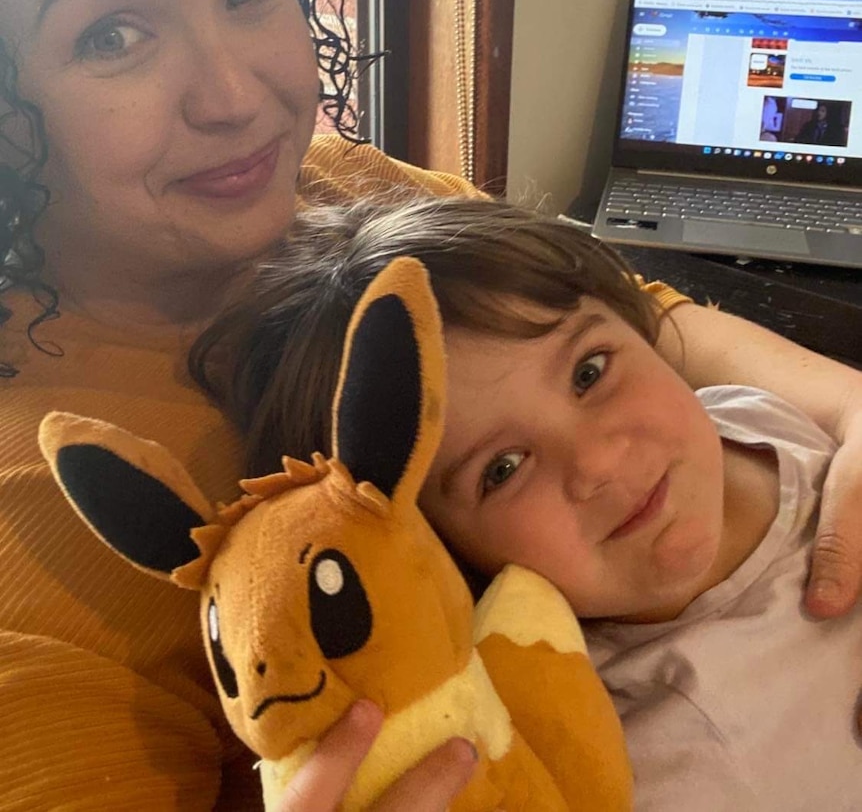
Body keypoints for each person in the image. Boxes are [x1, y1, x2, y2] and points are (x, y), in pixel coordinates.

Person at [0, 0, 860, 809]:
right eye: (113, 34)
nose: (240, 90)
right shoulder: (30, 549)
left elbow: (614, 305)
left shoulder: (325, 186)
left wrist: (848, 408)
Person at [192, 196, 862, 809]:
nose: (597, 462)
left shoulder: (759, 414)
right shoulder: (628, 756)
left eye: (590, 370)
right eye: (502, 469)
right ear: (447, 556)